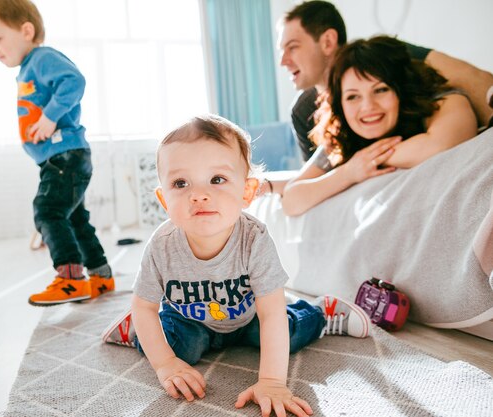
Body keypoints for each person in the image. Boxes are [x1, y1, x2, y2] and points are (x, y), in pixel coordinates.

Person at [101, 114, 371, 417]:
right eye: (181, 183)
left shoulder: (254, 239)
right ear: (164, 200)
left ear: (247, 192)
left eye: (217, 180)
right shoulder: (162, 245)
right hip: (190, 322)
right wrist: (165, 365)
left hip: (249, 317)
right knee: (176, 350)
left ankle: (322, 312)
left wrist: (271, 381)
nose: (199, 194)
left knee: (287, 335)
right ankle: (135, 331)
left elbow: (270, 313)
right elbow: (145, 306)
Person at [261, 0, 493, 196]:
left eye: (292, 48)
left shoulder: (392, 58)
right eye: (352, 97)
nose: (283, 61)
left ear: (328, 42)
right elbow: (316, 176)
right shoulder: (304, 112)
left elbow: (472, 79)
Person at [0, 0, 114, 306]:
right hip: (61, 157)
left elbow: (74, 80)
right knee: (74, 219)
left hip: (65, 155)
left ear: (26, 30)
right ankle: (101, 275)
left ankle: (70, 279)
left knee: (48, 211)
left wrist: (50, 117)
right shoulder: (29, 67)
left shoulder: (41, 58)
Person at [281, 36, 477, 216]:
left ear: (400, 90)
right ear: (340, 104)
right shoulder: (342, 134)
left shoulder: (444, 101)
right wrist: (349, 172)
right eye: (352, 96)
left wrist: (370, 160)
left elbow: (440, 145)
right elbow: (291, 199)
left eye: (381, 90)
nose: (368, 107)